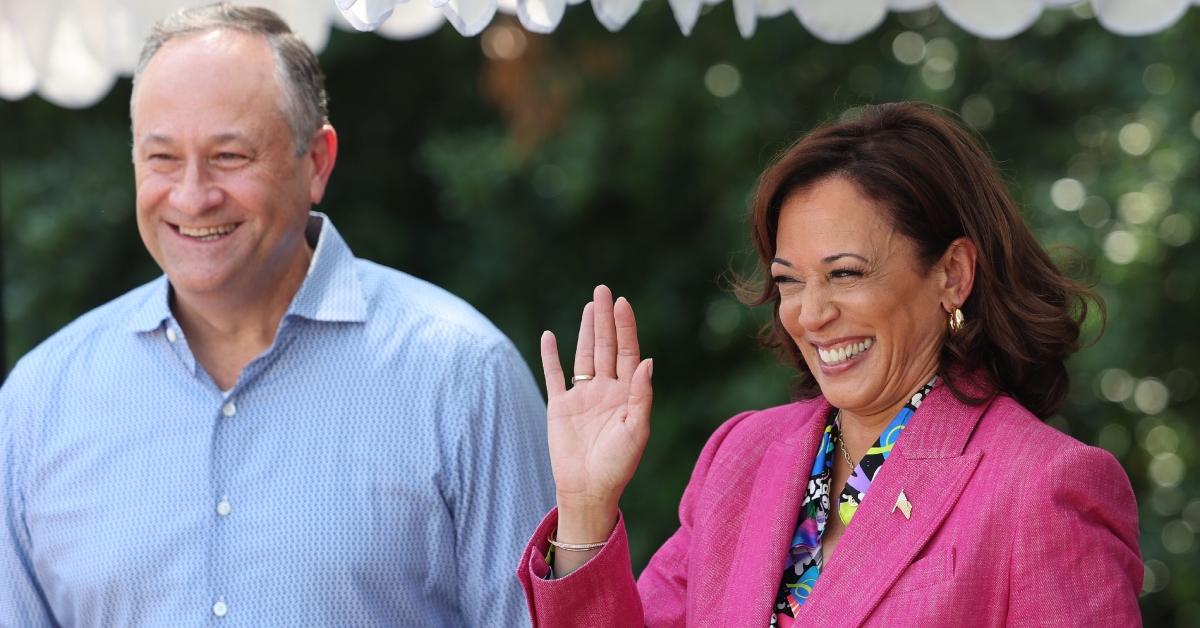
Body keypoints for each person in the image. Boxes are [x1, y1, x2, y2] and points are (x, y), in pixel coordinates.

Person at [0, 4, 553, 626]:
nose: (192, 195)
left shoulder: (463, 380)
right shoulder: (38, 404)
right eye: (161, 159)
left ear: (315, 162)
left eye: (230, 156)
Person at [516, 102, 1143, 626]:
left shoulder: (1042, 486)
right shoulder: (742, 456)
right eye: (790, 282)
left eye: (845, 274)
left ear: (952, 274)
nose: (810, 314)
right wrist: (587, 511)